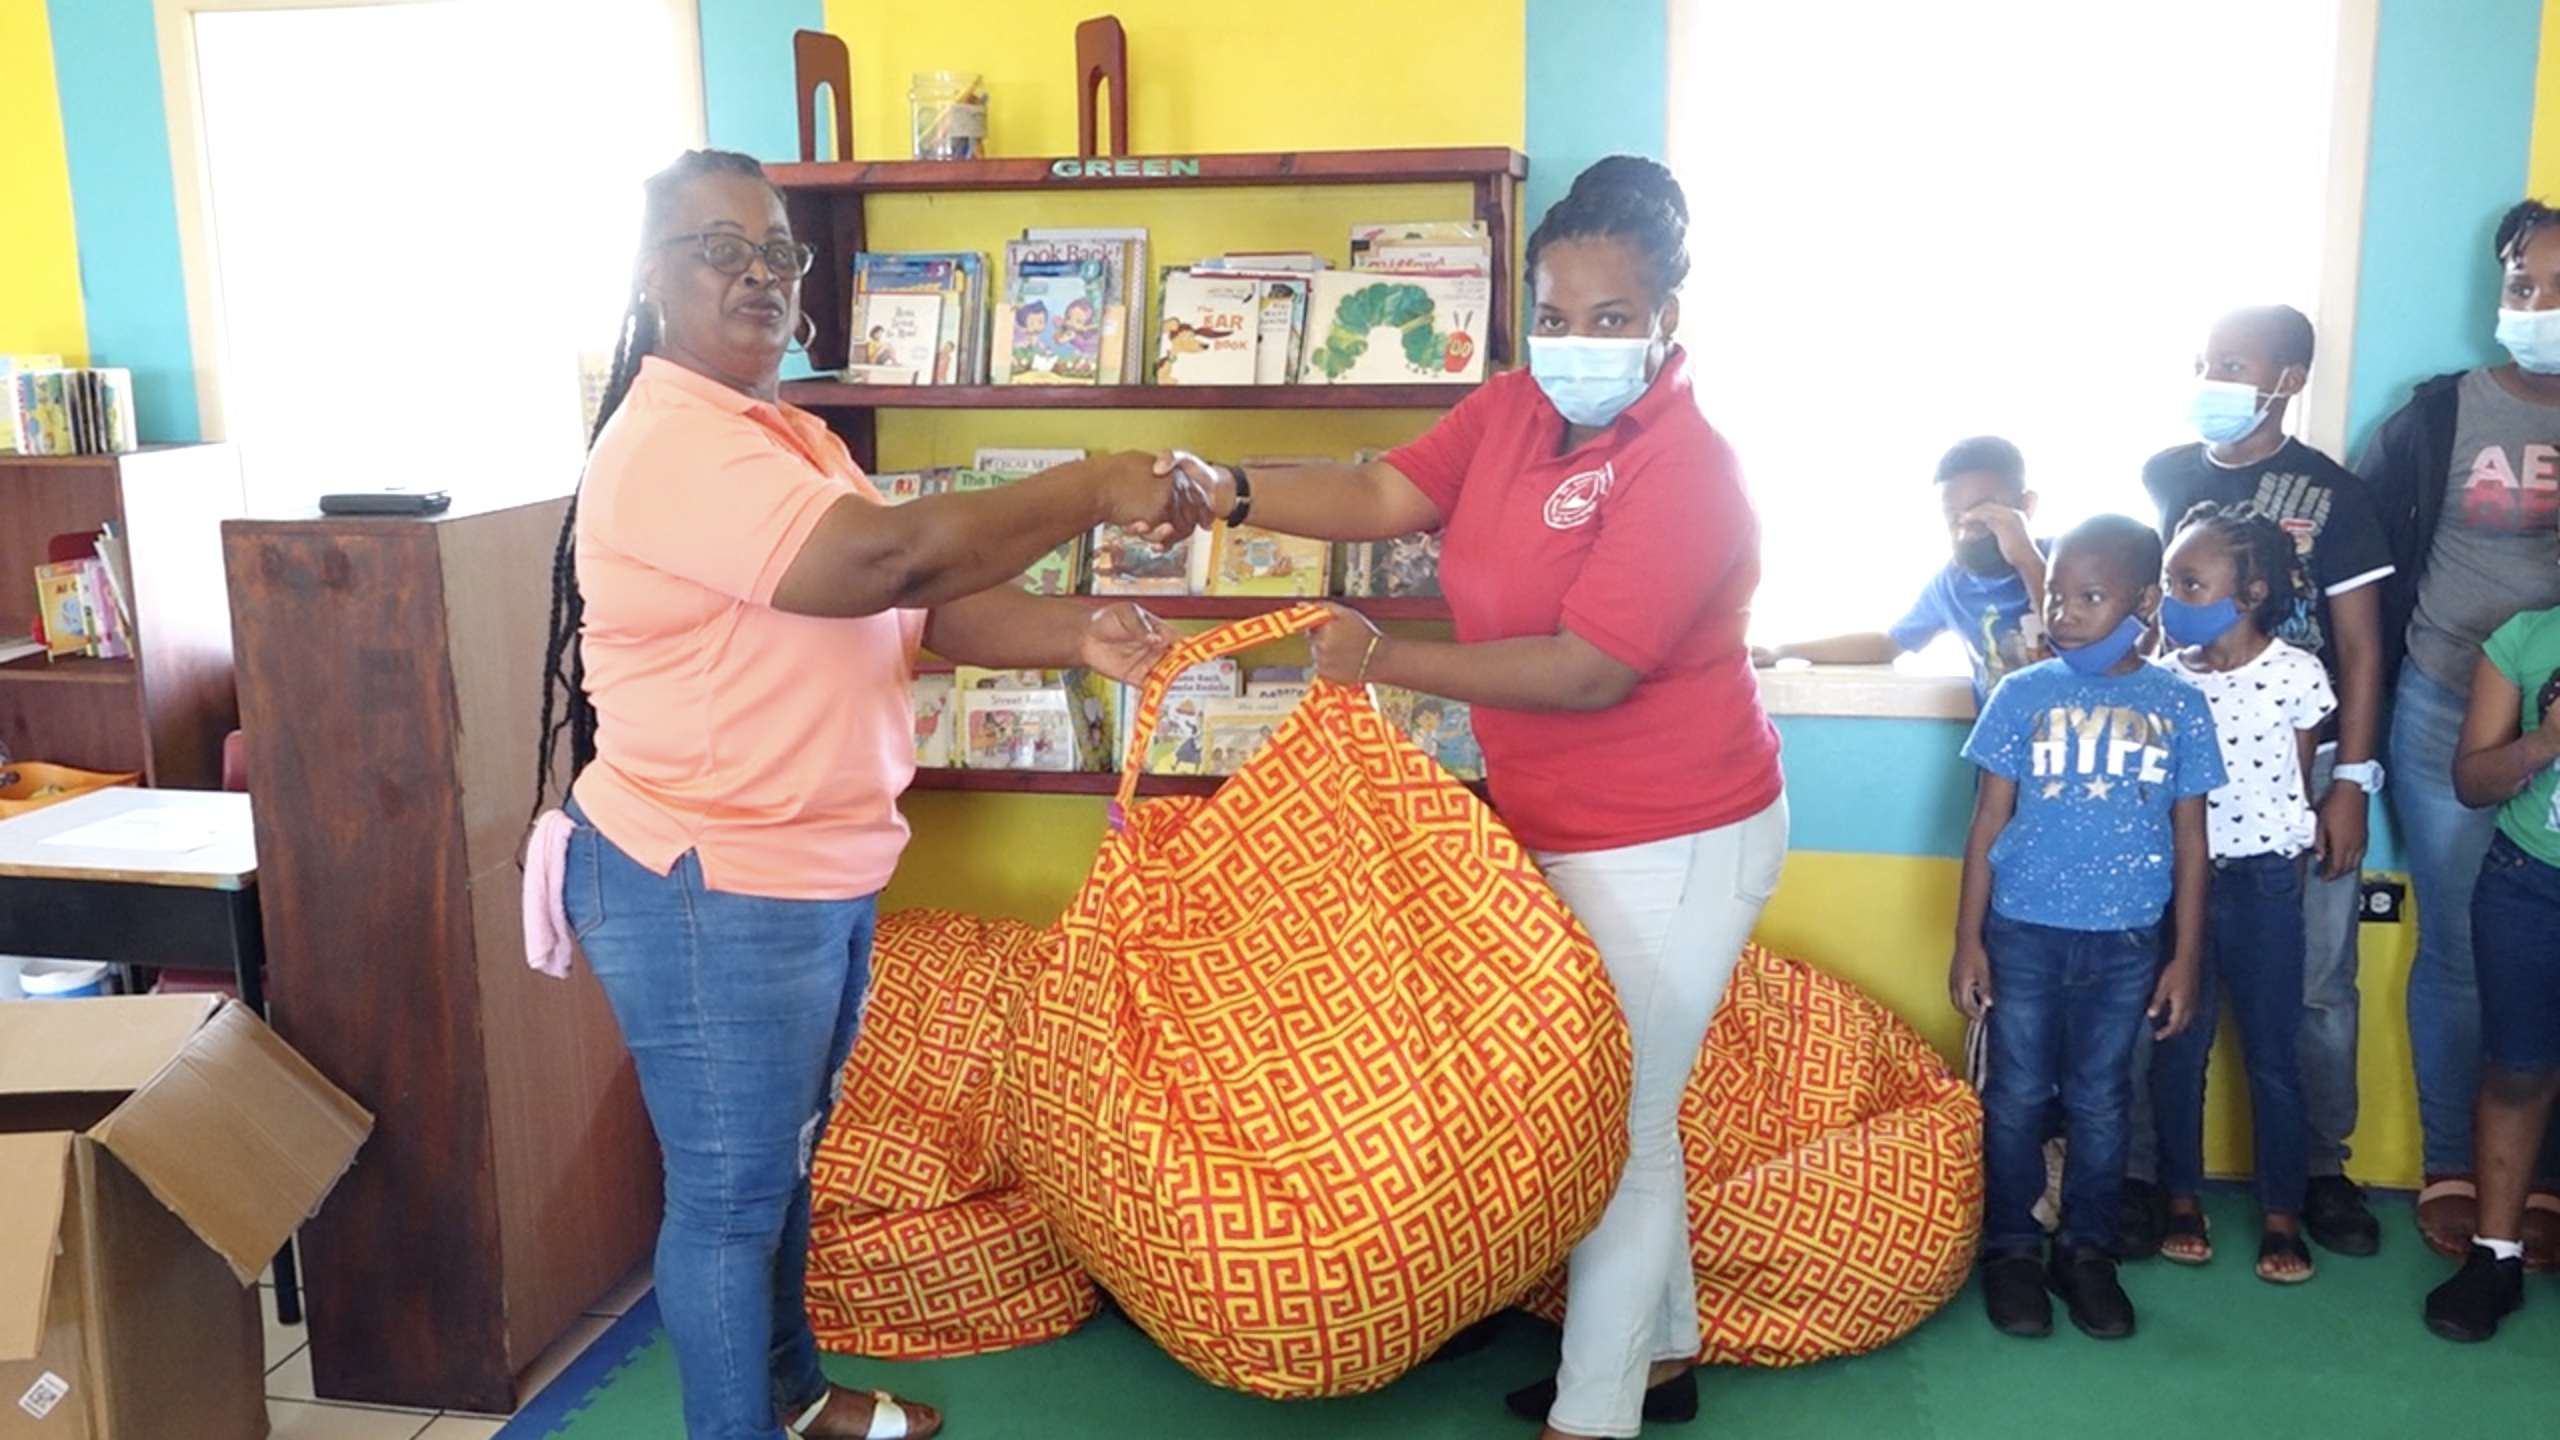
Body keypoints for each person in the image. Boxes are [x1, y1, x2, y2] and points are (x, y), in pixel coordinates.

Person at [530, 149, 1207, 1440]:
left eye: (775, 252)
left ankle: (792, 1396)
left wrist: (1074, 636)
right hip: (704, 881)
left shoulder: (786, 437)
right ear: (649, 277)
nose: (755, 273)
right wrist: (1094, 484)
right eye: (717, 248)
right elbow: (886, 555)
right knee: (731, 1200)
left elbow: (921, 599)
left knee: (782, 1172)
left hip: (810, 874)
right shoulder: (674, 445)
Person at [1166, 154, 1785, 1440]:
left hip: (1677, 833)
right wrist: (1223, 487)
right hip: (1555, 822)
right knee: (1623, 1111)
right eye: (1554, 316)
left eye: (1612, 320)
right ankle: (1659, 1362)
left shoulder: (1689, 468)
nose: (1577, 343)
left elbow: (1589, 667)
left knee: (1618, 1128)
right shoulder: (1508, 410)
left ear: (1669, 319)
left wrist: (1389, 659)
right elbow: (1379, 494)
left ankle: (1595, 1413)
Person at [2126, 304, 2394, 1260]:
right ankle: (2158, 1185)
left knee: (2314, 996)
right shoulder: (2168, 476)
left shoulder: (2338, 495)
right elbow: (2147, 614)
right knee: (2165, 1009)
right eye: (2204, 360)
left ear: (2286, 380)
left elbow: (2360, 650)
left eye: (2232, 364)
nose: (2212, 378)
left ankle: (2316, 1175)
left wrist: (2350, 783)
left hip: (2285, 808)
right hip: (2181, 817)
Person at [1948, 514, 2221, 1341]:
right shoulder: (2022, 694)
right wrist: (1968, 941)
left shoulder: (2177, 702)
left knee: (2105, 1104)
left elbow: (2192, 841)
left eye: (2090, 597)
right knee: (2016, 1098)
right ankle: (2011, 1253)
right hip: (2023, 934)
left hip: (2128, 943)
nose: (2065, 614)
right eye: (2058, 595)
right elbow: (1986, 823)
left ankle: (2087, 1254)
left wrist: (2184, 958)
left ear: (2143, 601)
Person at [2355, 199, 2560, 1266]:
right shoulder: (2441, 415)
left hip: (2557, 712)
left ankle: (2538, 1186)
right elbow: (2364, 560)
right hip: (2443, 703)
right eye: (2523, 287)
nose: (2539, 308)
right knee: (2463, 949)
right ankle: (2453, 1166)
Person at [2145, 503, 2334, 1283]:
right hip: (2177, 887)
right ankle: (2180, 1198)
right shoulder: (2159, 680)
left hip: (2261, 885)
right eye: (2166, 582)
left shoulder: (2295, 674)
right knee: (2176, 1049)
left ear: (2251, 591)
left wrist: (2281, 871)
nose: (2170, 599)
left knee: (2272, 1055)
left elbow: (2296, 777)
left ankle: (2282, 1213)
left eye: (2189, 583)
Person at [2424, 603, 2560, 1341]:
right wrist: (2544, 741)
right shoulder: (2527, 639)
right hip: (2530, 883)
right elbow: (2474, 780)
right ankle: (2495, 1257)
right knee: (2517, 1070)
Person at [1752, 435, 2047, 704]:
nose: (1967, 530)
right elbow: (1888, 643)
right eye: (1954, 517)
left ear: (2026, 506)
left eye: (1985, 513)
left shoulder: (2070, 561)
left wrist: (2026, 559)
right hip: (2008, 754)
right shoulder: (1953, 584)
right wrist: (1783, 650)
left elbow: (2084, 643)